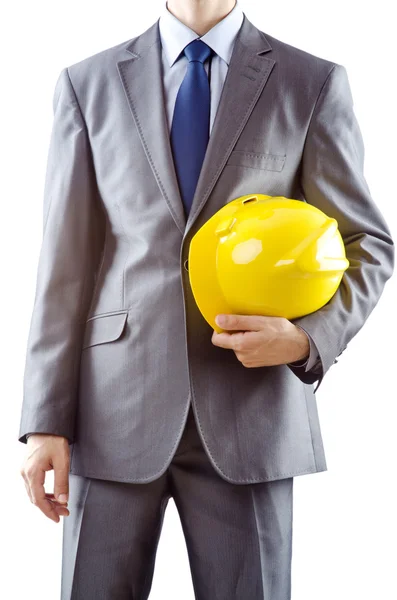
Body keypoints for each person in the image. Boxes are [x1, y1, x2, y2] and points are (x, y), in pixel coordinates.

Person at [18, 0, 394, 598]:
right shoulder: (86, 83)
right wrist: (44, 422)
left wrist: (307, 338)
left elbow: (367, 243)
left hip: (252, 412)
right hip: (112, 408)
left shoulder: (310, 81)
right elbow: (64, 264)